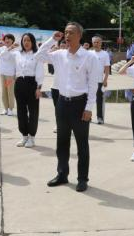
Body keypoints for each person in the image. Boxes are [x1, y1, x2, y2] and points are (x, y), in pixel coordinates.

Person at [35, 22, 97, 192]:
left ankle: (82, 179)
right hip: (62, 103)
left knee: (82, 144)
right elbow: (39, 56)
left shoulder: (89, 57)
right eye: (65, 32)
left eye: (71, 33)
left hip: (80, 104)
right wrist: (51, 40)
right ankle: (62, 174)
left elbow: (93, 85)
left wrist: (89, 108)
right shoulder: (59, 54)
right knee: (62, 142)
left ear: (79, 36)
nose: (67, 36)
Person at [13, 32, 44, 148]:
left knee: (33, 111)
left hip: (32, 84)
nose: (26, 42)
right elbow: (5, 57)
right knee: (21, 112)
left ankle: (32, 137)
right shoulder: (17, 54)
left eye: (28, 40)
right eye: (24, 40)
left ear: (33, 42)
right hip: (19, 83)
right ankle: (24, 135)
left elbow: (40, 72)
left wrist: (38, 88)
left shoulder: (37, 55)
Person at [0, 34, 16, 116]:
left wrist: (10, 48)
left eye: (9, 39)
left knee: (10, 92)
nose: (7, 40)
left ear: (12, 40)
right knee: (4, 92)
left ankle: (10, 109)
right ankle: (6, 108)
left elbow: (4, 55)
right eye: (5, 39)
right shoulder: (2, 48)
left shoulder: (15, 50)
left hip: (10, 75)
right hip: (2, 73)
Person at [91, 35, 111, 124]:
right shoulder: (89, 53)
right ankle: (88, 116)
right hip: (90, 81)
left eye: (98, 42)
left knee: (99, 100)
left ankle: (100, 117)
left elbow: (107, 69)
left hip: (99, 81)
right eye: (94, 42)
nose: (96, 44)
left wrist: (105, 80)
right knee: (88, 100)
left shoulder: (105, 54)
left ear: (101, 43)